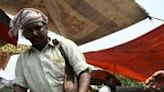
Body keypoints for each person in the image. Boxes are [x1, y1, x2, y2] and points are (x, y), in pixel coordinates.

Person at [9, 8, 91, 92]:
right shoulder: (23, 58)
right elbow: (20, 85)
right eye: (29, 30)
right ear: (25, 34)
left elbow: (83, 73)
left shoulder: (65, 46)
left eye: (38, 28)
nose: (35, 33)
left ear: (46, 28)